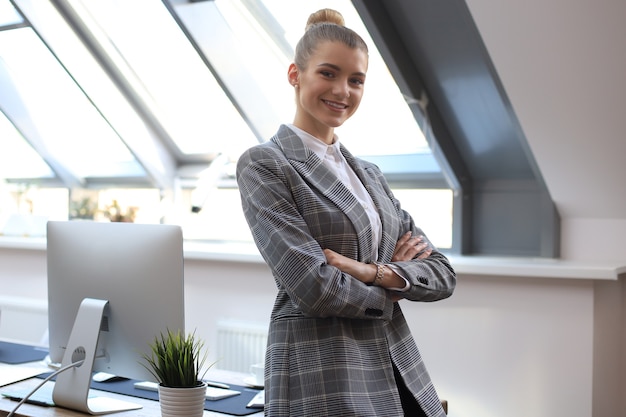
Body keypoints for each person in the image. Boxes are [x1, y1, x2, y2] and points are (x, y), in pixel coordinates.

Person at [236, 8, 456, 417]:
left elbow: (442, 274)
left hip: (400, 369)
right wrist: (397, 281)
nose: (343, 90)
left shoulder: (369, 175)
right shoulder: (265, 164)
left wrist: (370, 272)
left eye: (356, 80)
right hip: (322, 371)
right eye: (328, 73)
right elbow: (313, 287)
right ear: (294, 75)